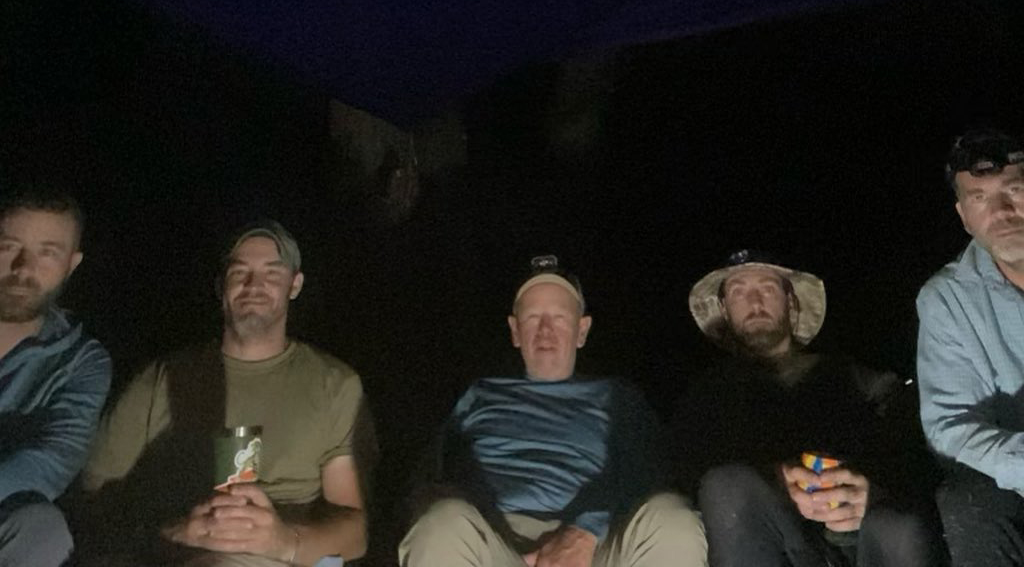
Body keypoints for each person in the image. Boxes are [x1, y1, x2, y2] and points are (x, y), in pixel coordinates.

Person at [79, 219, 373, 567]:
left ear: (295, 285)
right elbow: (92, 501)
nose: (254, 285)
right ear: (221, 286)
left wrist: (282, 541)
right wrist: (177, 531)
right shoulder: (160, 379)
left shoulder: (333, 384)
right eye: (240, 272)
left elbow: (354, 532)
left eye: (272, 274)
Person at [400, 254, 707, 567]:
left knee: (673, 522)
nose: (545, 330)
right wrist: (492, 531)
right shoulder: (479, 395)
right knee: (440, 524)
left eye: (559, 317)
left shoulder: (618, 396)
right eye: (533, 317)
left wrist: (586, 532)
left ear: (582, 330)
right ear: (515, 331)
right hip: (500, 545)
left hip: (596, 544)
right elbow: (428, 481)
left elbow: (651, 472)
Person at [676, 250, 940, 567]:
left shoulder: (858, 379)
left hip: (859, 542)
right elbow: (687, 477)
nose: (754, 301)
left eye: (768, 288)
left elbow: (914, 448)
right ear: (724, 309)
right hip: (776, 546)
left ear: (790, 300)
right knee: (726, 487)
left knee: (902, 524)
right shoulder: (709, 396)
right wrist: (776, 477)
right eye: (738, 292)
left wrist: (871, 489)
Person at [917, 128, 1024, 565]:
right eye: (979, 198)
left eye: (1015, 189)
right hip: (1017, 485)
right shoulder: (946, 299)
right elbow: (951, 427)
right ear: (964, 216)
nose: (1000, 210)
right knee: (966, 502)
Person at [0, 187, 111, 567]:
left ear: (71, 263)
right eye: (8, 246)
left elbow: (54, 459)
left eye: (47, 252)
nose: (23, 267)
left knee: (41, 529)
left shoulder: (82, 361)